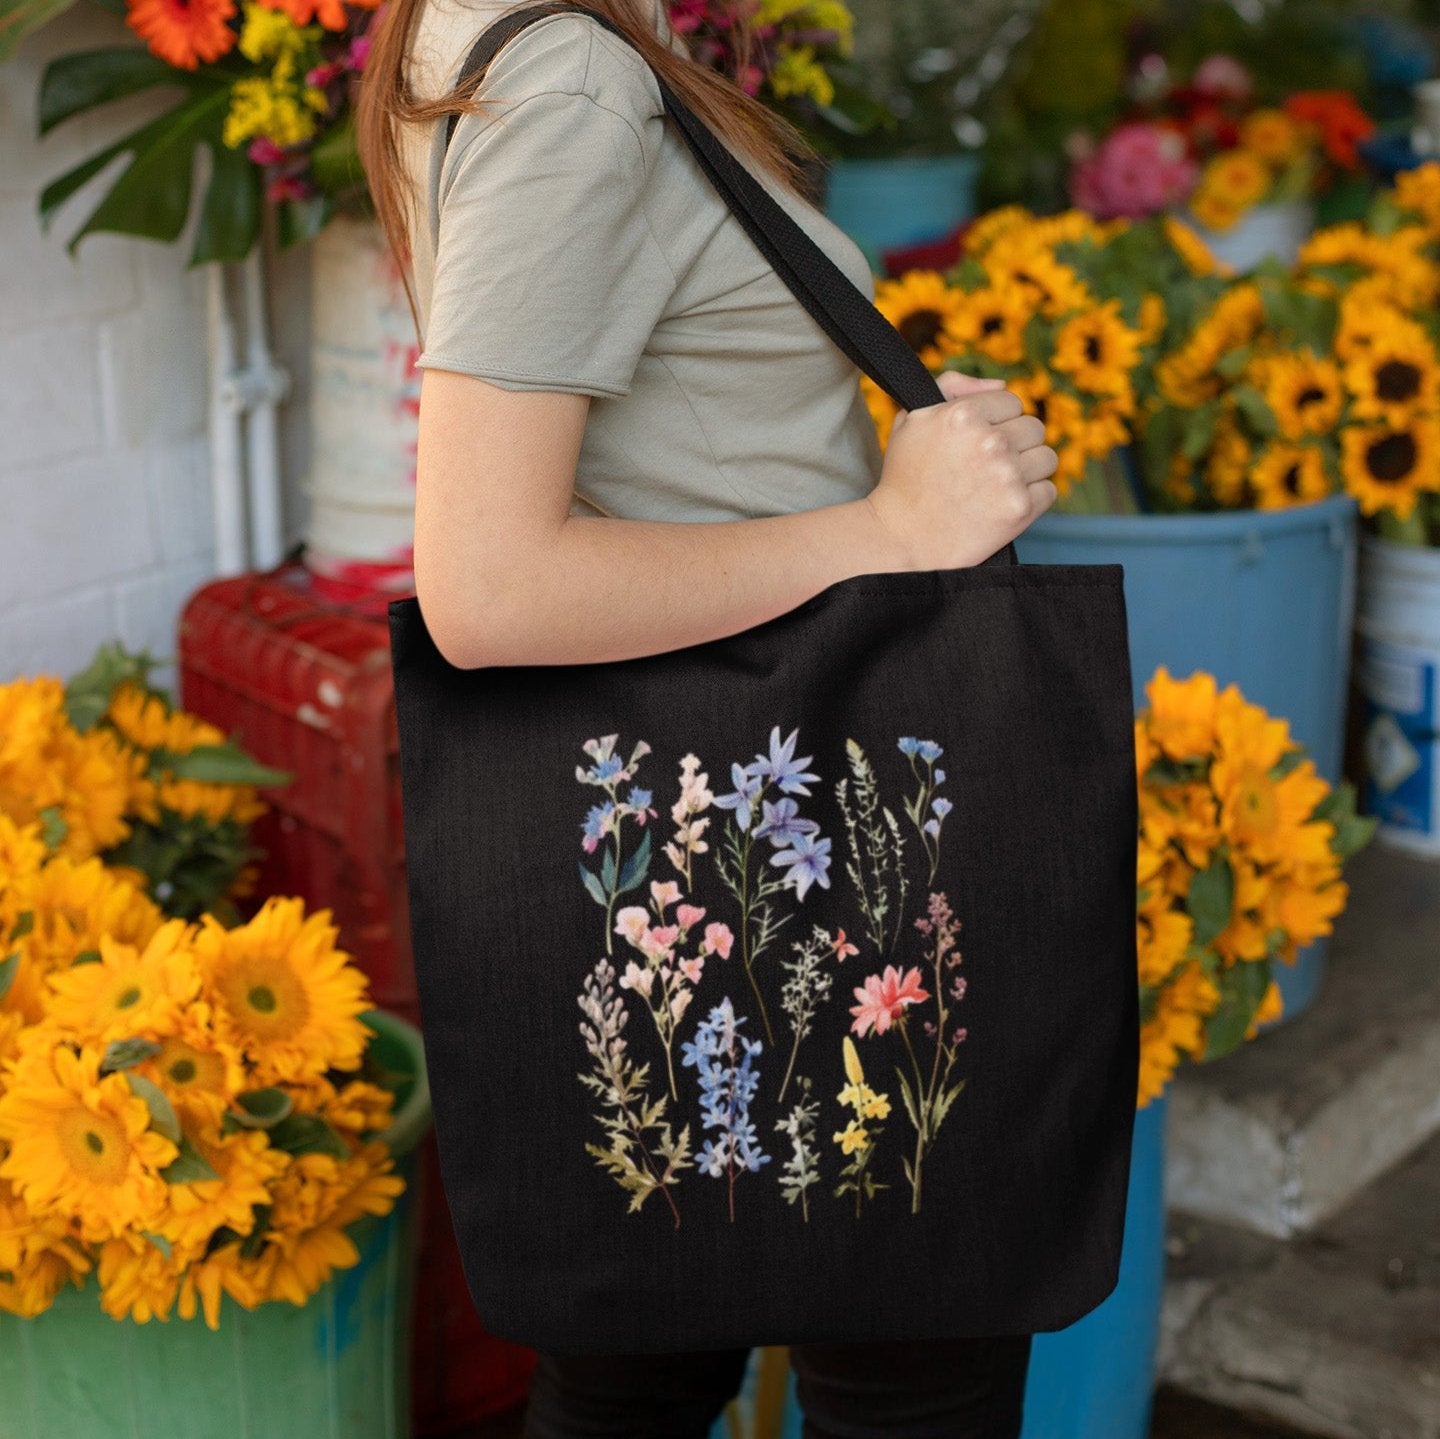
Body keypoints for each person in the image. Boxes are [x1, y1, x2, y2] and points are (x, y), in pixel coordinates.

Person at [358, 2, 1059, 1434]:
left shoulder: (514, 37)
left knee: (639, 1370)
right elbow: (487, 588)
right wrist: (889, 527)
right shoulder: (570, 75)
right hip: (794, 822)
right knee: (908, 1370)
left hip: (665, 852)